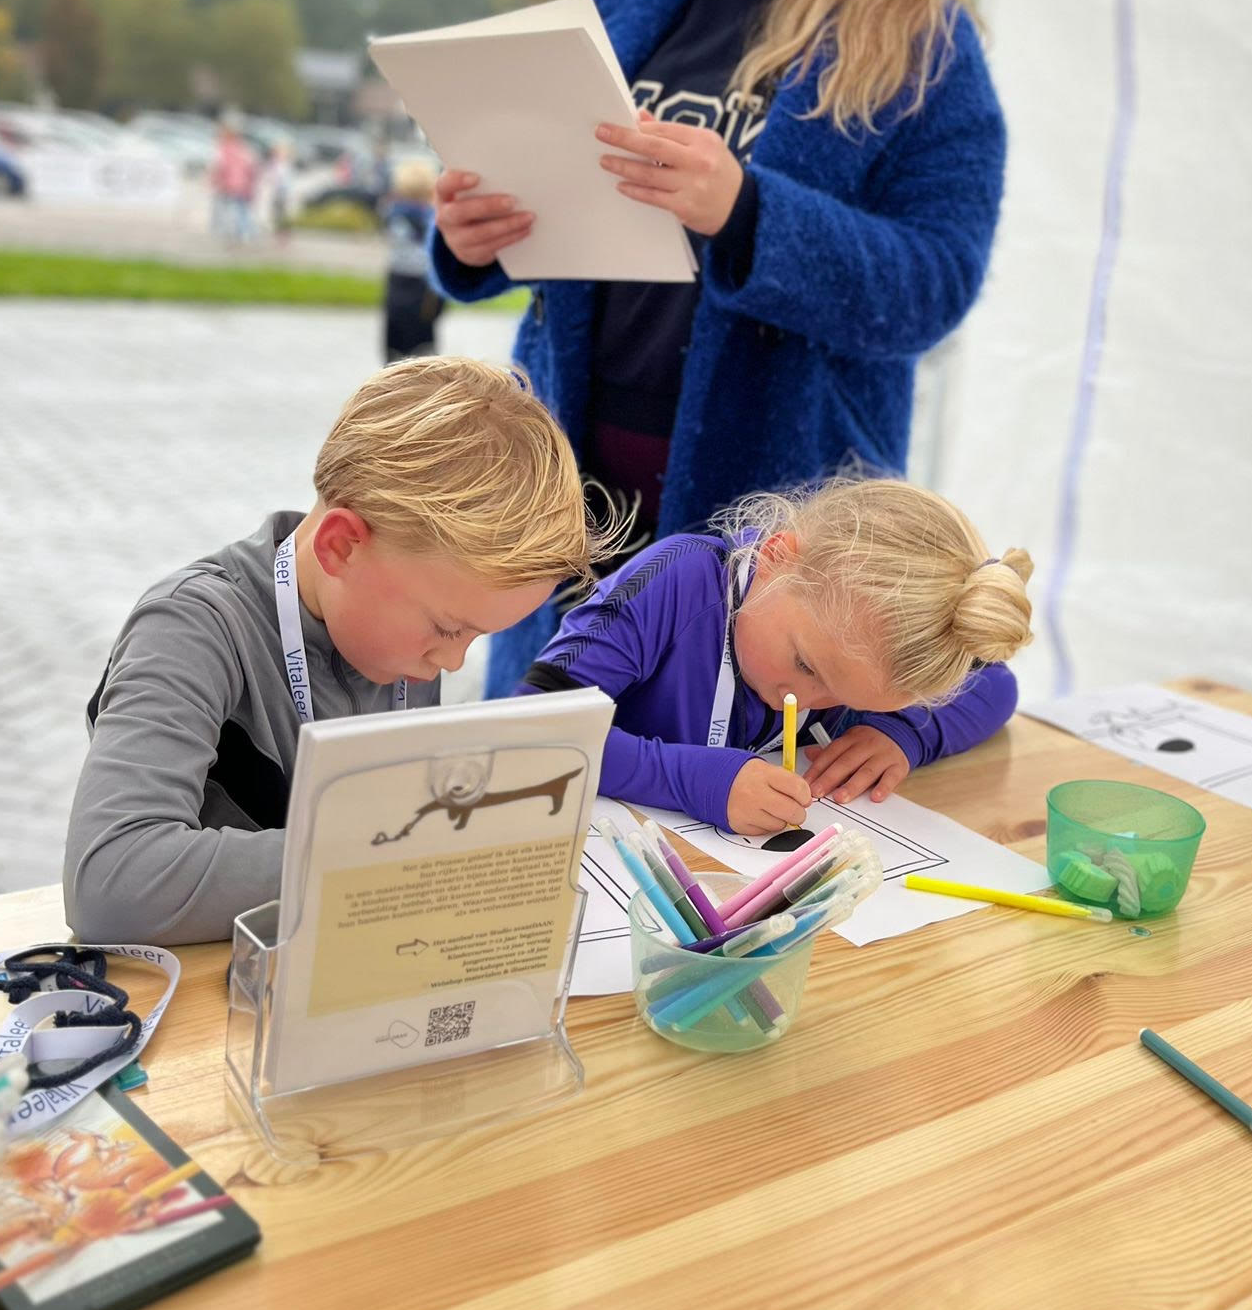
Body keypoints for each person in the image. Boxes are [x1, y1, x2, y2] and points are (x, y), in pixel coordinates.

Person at [430, 0, 1007, 695]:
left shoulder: (930, 50)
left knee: (721, 828)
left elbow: (933, 285)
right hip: (565, 518)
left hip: (776, 564)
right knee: (546, 802)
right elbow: (561, 182)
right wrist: (476, 236)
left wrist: (750, 212)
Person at [64, 357, 597, 945]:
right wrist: (397, 855)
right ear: (341, 546)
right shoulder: (192, 626)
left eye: (476, 636)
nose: (451, 663)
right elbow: (113, 885)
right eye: (449, 629)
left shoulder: (393, 628)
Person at [519, 476, 1032, 837]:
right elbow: (532, 731)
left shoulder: (869, 637)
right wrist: (689, 779)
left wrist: (901, 733)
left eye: (847, 698)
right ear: (776, 557)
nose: (803, 698)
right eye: (807, 665)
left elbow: (996, 687)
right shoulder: (679, 582)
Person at [381, 158, 445, 362]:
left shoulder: (393, 215)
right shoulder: (433, 219)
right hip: (425, 285)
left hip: (397, 281)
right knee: (424, 346)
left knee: (395, 347)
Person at [209, 119, 259, 242]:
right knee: (241, 209)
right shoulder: (244, 149)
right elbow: (252, 166)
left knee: (228, 209)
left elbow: (220, 166)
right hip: (243, 185)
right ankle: (244, 231)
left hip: (229, 184)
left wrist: (215, 179)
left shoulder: (224, 149)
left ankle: (230, 231)